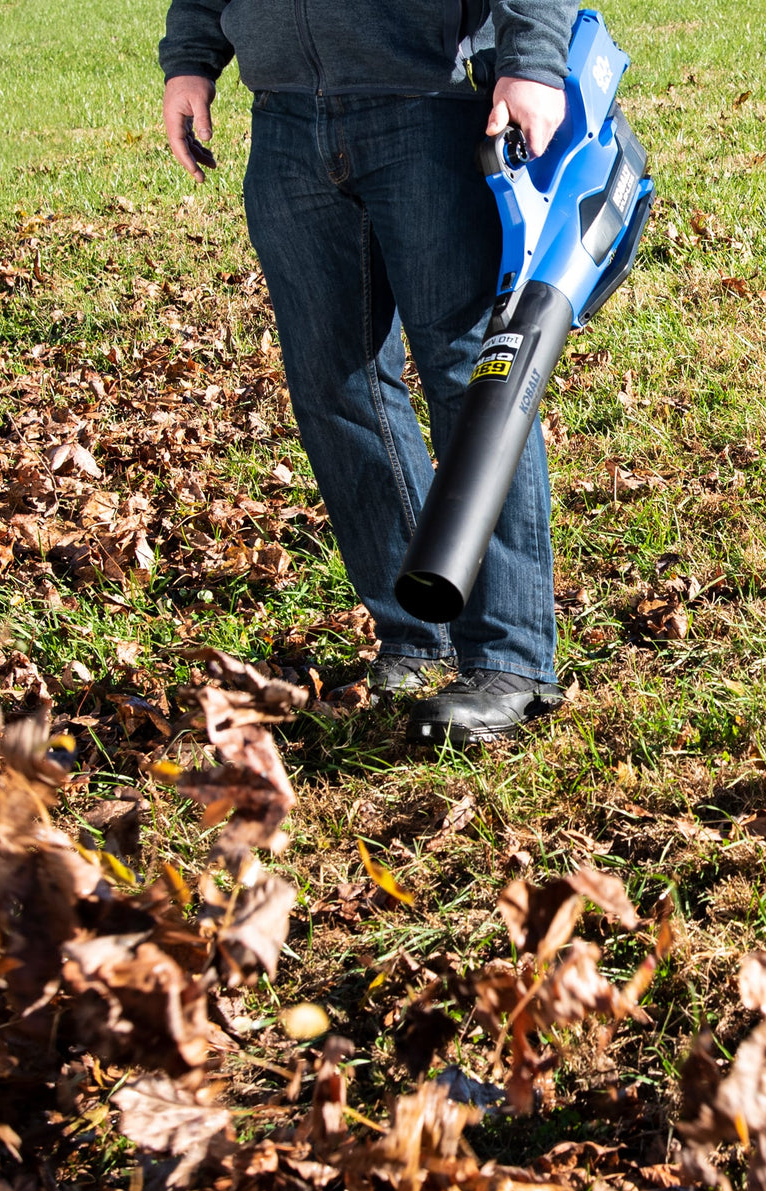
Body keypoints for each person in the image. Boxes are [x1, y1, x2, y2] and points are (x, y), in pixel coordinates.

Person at [159, 0, 577, 746]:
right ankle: (416, 632)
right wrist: (190, 57)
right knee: (334, 386)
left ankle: (511, 657)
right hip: (285, 121)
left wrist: (531, 59)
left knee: (472, 378)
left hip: (430, 104)